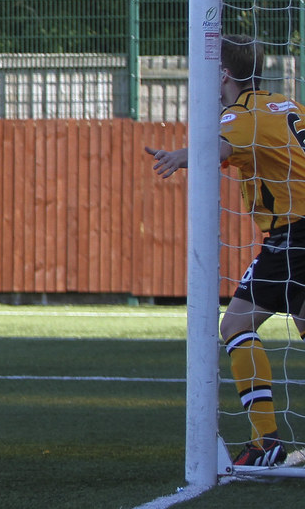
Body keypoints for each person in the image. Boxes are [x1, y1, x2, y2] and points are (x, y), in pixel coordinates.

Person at [146, 34, 305, 467]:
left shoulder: (242, 114)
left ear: (224, 74)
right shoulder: (288, 104)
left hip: (293, 237)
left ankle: (266, 441)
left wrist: (179, 156)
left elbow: (217, 148)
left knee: (235, 324)